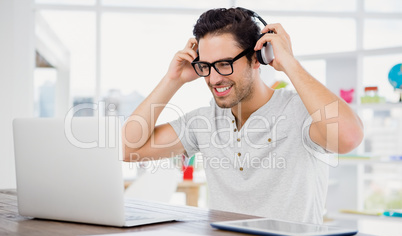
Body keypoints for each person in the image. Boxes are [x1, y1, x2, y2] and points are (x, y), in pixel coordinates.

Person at [122, 7, 364, 224]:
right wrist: (172, 80)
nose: (214, 79)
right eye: (205, 66)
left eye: (225, 63)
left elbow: (348, 137)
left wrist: (289, 62)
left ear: (256, 58)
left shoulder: (299, 112)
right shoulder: (205, 122)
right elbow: (127, 148)